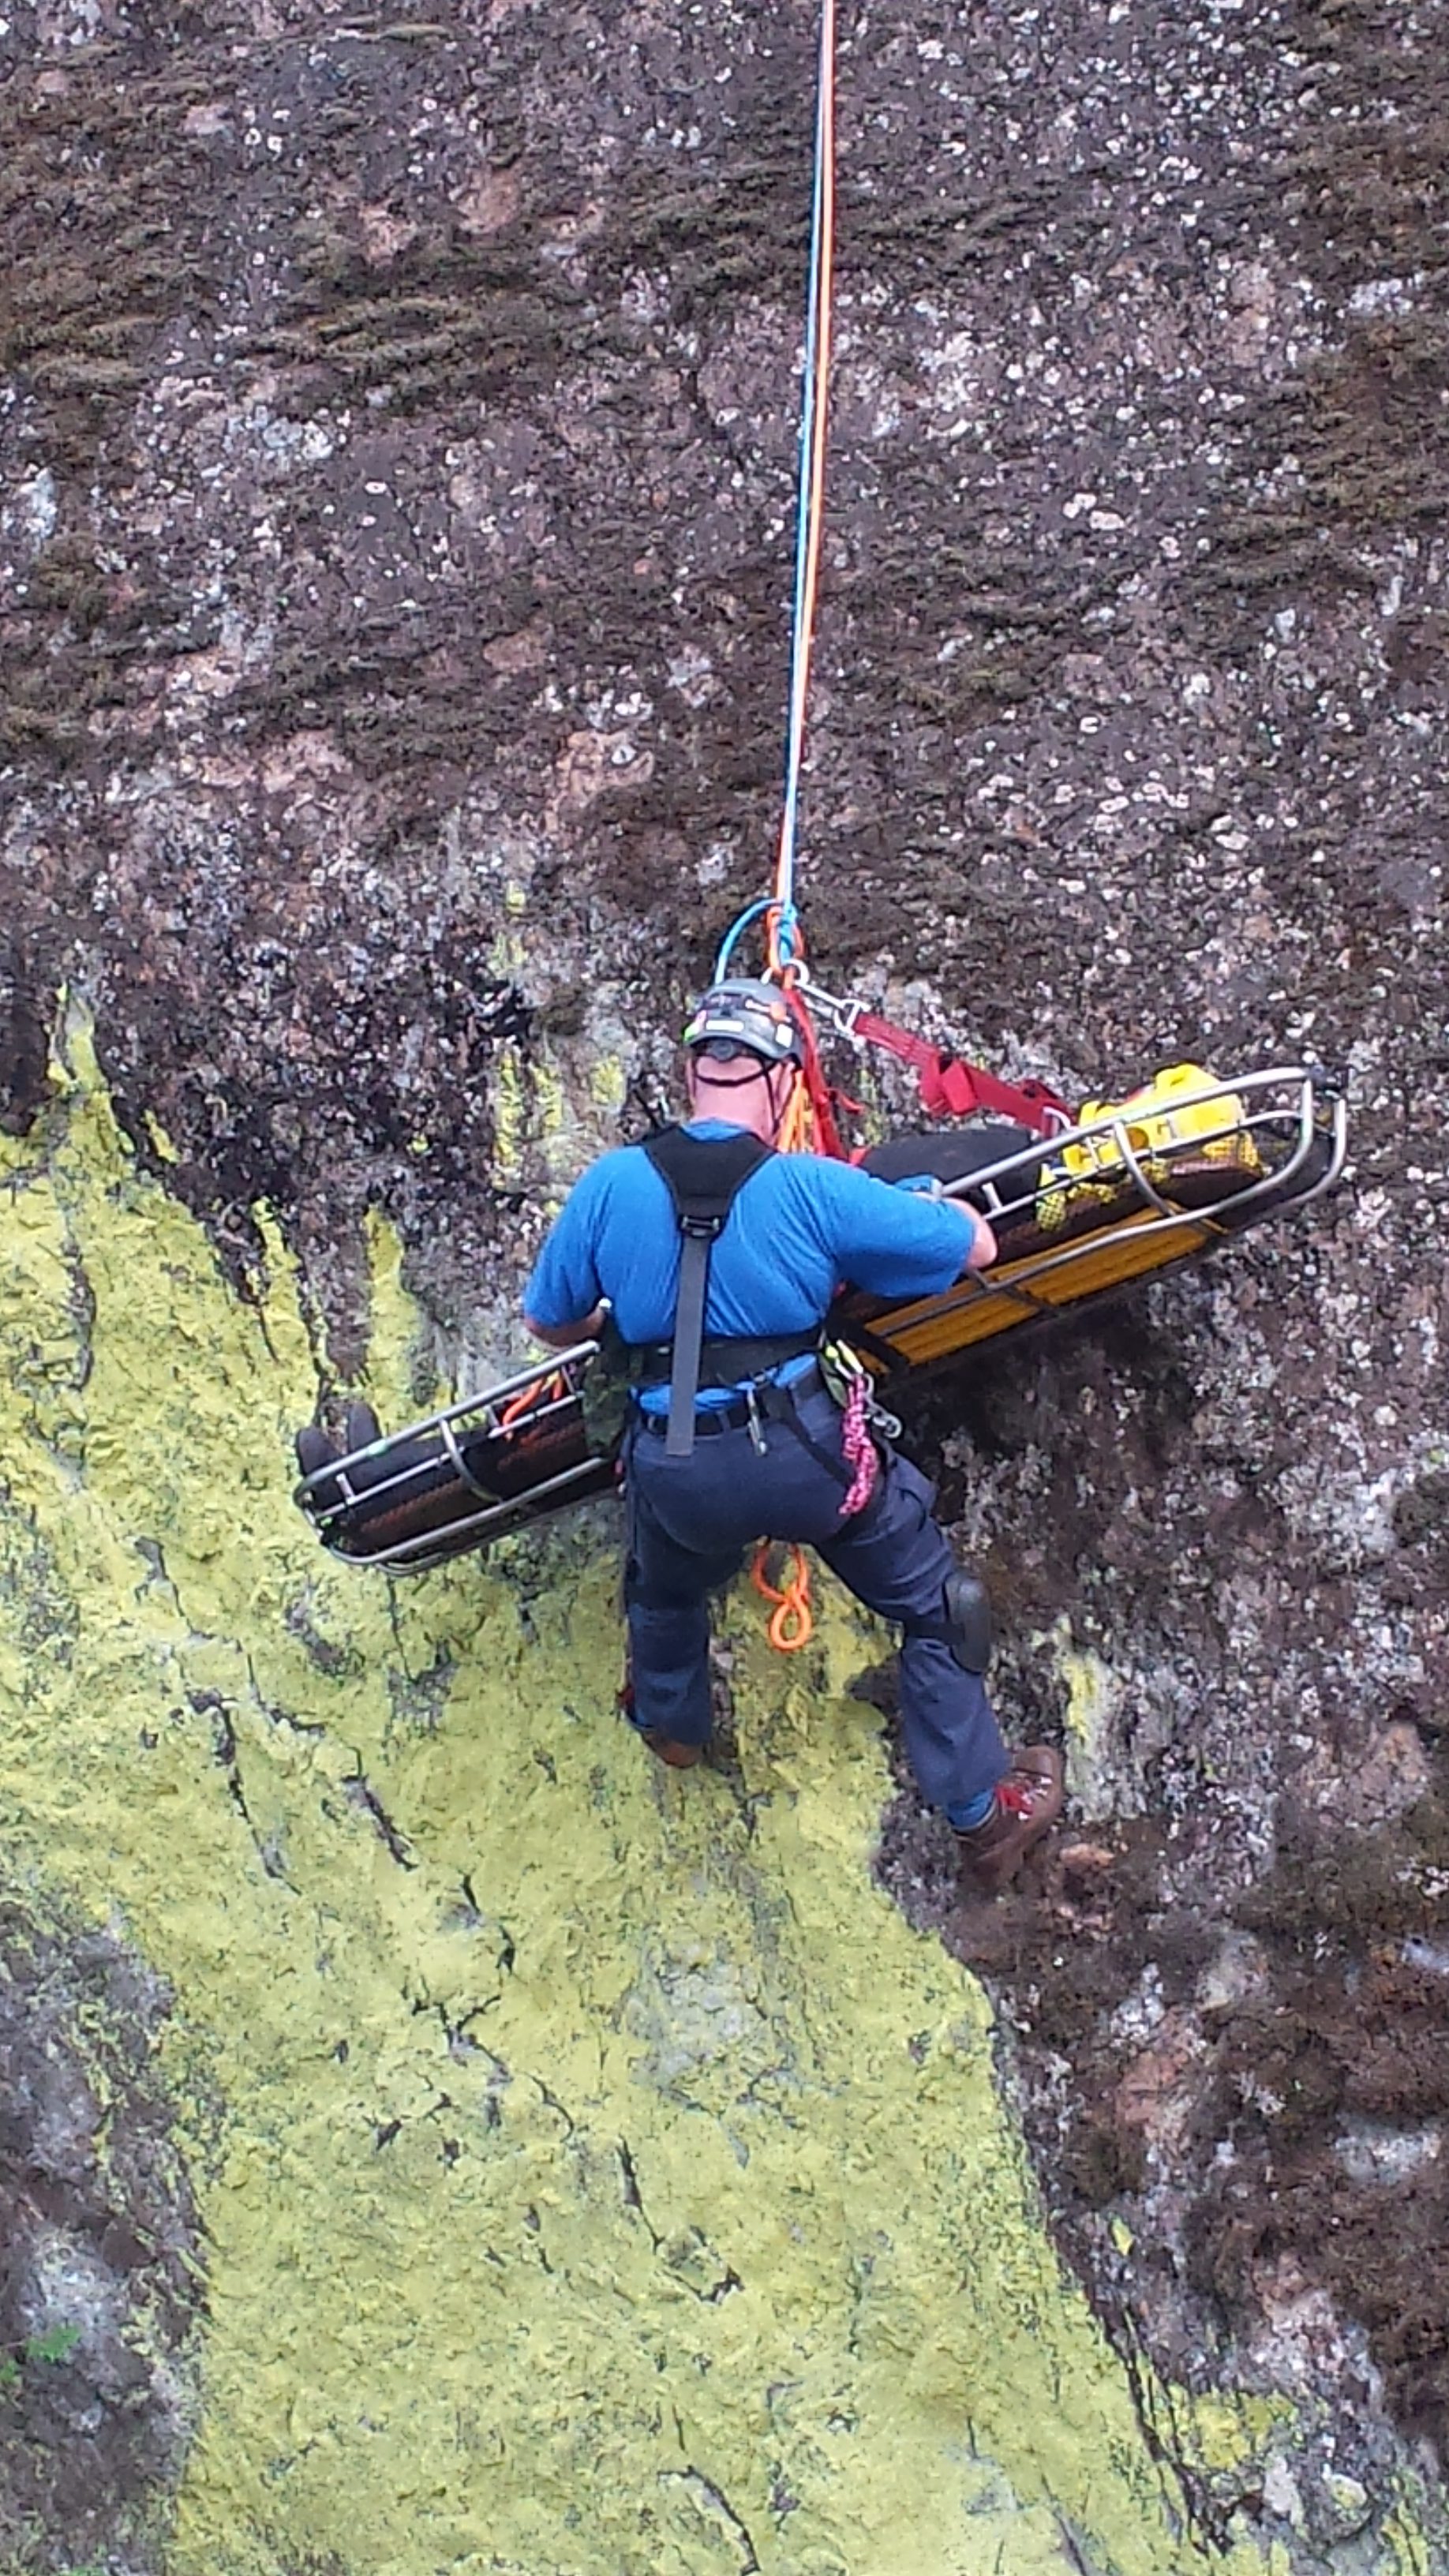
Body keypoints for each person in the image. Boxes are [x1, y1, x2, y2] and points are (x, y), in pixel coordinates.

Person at [522, 978, 1064, 1893]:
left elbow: (549, 1321)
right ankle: (983, 1817)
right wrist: (933, 1204)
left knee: (665, 1589)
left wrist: (631, 1318)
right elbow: (973, 1249)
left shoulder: (611, 1187)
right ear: (782, 1084)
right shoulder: (812, 1189)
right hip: (805, 1463)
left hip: (676, 1467)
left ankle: (674, 1726)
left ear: (693, 1070)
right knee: (939, 1610)